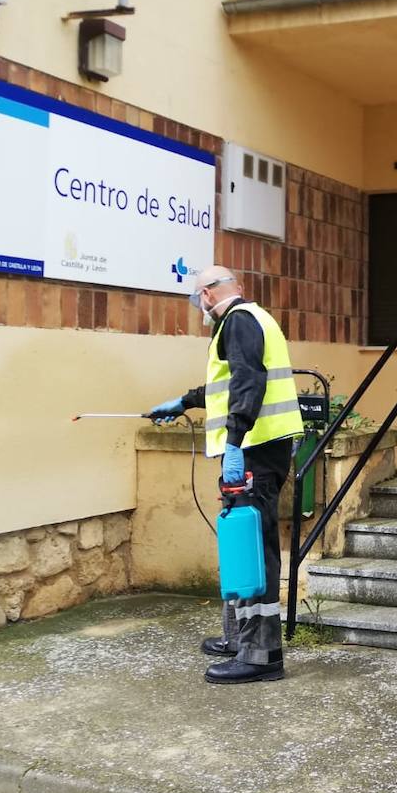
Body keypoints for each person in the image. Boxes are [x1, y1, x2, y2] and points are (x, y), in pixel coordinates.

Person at [149, 265, 303, 684]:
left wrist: (234, 441)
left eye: (197, 298)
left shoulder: (237, 322)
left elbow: (249, 384)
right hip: (259, 449)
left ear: (208, 295)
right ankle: (239, 638)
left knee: (253, 547)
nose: (198, 306)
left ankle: (261, 655)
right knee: (242, 543)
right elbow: (230, 384)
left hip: (254, 452)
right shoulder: (253, 319)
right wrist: (184, 401)